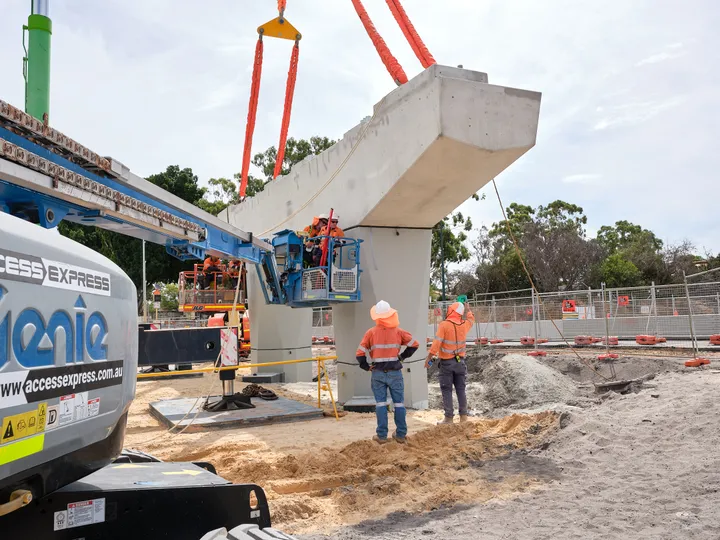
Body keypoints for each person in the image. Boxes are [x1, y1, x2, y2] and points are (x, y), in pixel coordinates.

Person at [356, 300, 419, 444]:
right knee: (399, 404)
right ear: (391, 314)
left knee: (381, 404)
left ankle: (382, 436)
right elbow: (415, 344)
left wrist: (366, 366)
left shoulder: (370, 333)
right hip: (395, 372)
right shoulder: (398, 331)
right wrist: (402, 357)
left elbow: (359, 353)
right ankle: (401, 435)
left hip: (377, 372)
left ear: (377, 316)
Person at [425, 301, 475, 424]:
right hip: (460, 362)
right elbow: (471, 320)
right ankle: (463, 417)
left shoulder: (444, 325)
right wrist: (468, 310)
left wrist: (428, 359)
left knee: (446, 390)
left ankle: (448, 418)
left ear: (452, 311)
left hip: (447, 364)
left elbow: (436, 344)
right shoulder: (464, 324)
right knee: (461, 389)